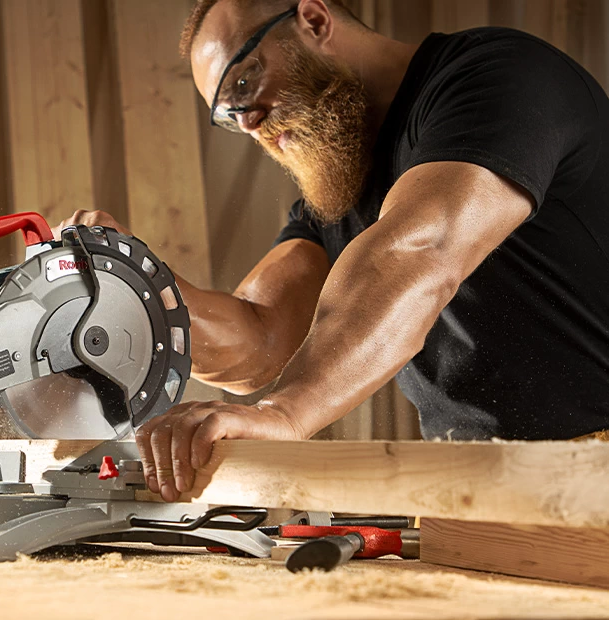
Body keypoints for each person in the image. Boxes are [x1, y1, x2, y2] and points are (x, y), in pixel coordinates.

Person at [54, 0, 609, 502]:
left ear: (314, 20)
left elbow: (420, 250)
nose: (248, 122)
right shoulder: (340, 183)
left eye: (244, 83)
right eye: (227, 115)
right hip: (475, 489)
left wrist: (285, 412)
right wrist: (133, 282)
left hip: (596, 470)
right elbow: (259, 339)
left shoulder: (496, 79)